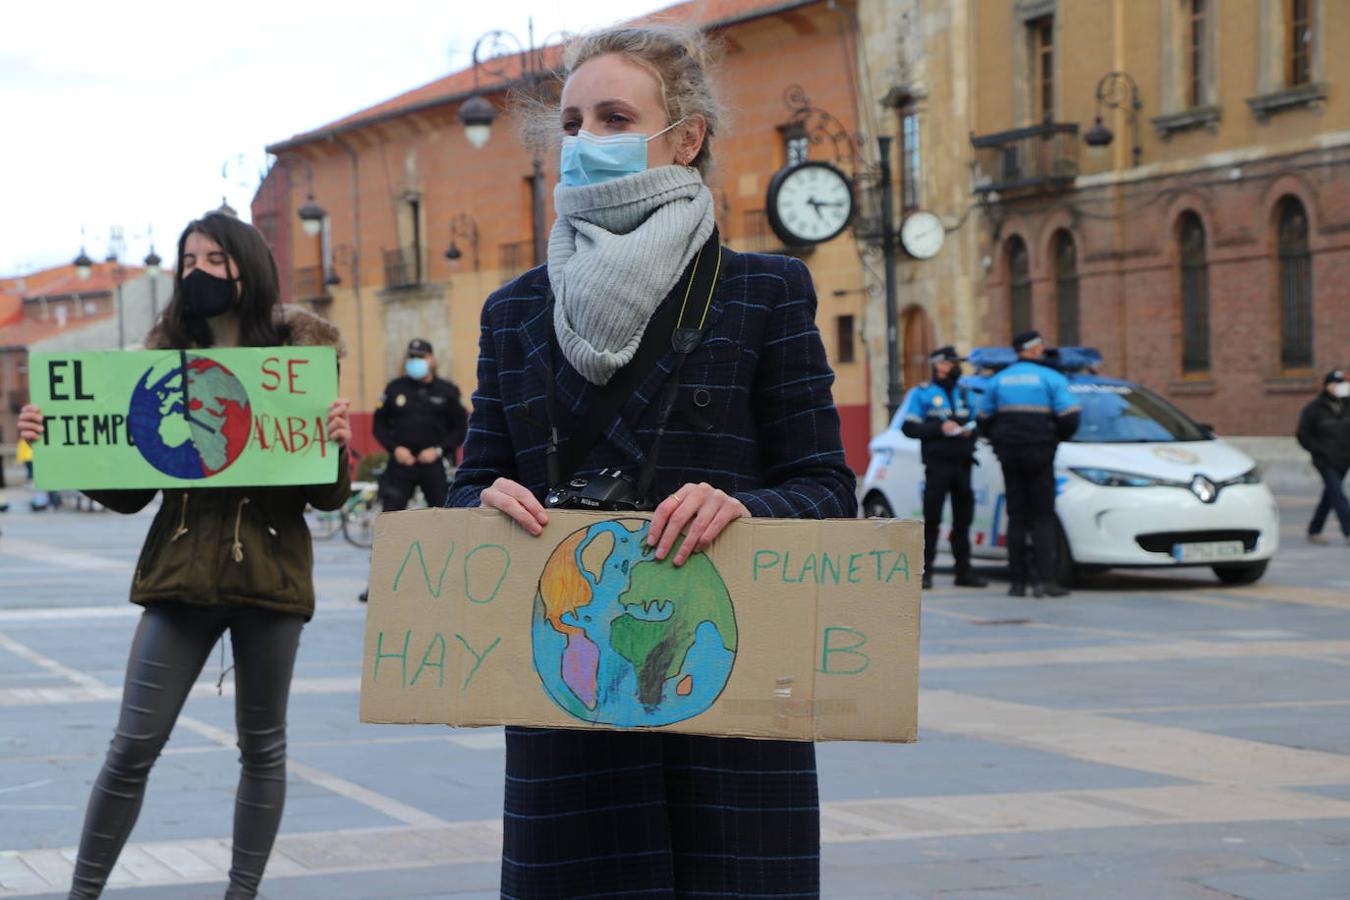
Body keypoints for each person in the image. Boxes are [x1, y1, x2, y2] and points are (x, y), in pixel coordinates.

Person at [445, 24, 857, 897]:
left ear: (686, 136)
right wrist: (485, 505)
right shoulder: (512, 312)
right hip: (571, 693)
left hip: (731, 699)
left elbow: (826, 490)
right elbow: (467, 486)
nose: (588, 139)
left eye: (615, 116)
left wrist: (745, 510)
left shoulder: (764, 292)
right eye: (574, 120)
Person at [18, 211, 351, 900]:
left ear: (247, 267)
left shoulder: (300, 357)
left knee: (263, 750)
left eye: (214, 259)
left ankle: (241, 893)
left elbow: (325, 496)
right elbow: (131, 492)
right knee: (132, 745)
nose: (198, 271)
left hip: (269, 575)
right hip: (179, 573)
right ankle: (83, 892)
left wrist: (336, 442)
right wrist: (61, 445)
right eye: (188, 259)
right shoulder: (161, 357)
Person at [976, 330, 1080, 598]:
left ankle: (1017, 583)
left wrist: (1000, 443)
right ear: (1033, 349)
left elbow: (983, 420)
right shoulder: (1051, 378)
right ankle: (1045, 581)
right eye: (1041, 346)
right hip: (1040, 453)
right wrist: (1055, 438)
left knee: (1017, 517)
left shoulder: (998, 380)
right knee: (1042, 517)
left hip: (1009, 454)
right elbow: (1070, 418)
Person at [902, 346, 988, 590]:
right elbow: (910, 428)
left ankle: (964, 571)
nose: (955, 366)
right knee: (932, 519)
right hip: (937, 464)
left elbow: (978, 421)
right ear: (939, 364)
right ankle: (925, 572)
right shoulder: (923, 393)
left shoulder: (965, 392)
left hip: (962, 463)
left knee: (963, 520)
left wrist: (971, 429)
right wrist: (939, 429)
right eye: (951, 362)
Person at [372, 337, 467, 511]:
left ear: (432, 359)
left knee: (444, 515)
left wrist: (439, 450)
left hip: (433, 462)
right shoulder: (394, 388)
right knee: (391, 515)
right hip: (401, 462)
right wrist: (395, 449)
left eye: (421, 357)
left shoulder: (447, 390)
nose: (416, 361)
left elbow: (460, 428)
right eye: (412, 357)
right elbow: (379, 426)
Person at [1296, 368, 1350, 544]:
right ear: (1327, 386)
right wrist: (1318, 450)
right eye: (1335, 384)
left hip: (1344, 459)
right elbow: (1303, 434)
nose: (1339, 387)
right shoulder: (1315, 408)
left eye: (1342, 384)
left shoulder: (1348, 405)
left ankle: (1314, 530)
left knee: (1330, 495)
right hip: (1325, 460)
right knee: (1338, 495)